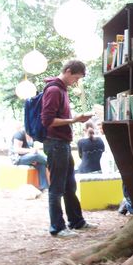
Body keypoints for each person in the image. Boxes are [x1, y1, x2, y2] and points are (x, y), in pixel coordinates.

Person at [41, 60, 97, 238]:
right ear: (67, 71)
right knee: (57, 187)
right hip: (55, 143)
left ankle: (76, 221)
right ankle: (57, 227)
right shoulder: (54, 90)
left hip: (62, 143)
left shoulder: (61, 90)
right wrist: (73, 120)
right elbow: (47, 121)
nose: (76, 81)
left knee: (69, 185)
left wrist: (75, 118)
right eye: (76, 77)